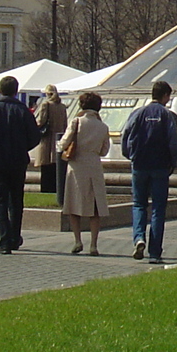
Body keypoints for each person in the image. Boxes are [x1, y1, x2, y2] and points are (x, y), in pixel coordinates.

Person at [121, 80, 177, 263]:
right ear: (165, 96)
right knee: (158, 208)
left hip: (139, 165)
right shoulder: (168, 115)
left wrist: (131, 157)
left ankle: (139, 237)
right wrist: (173, 163)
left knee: (139, 204)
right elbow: (174, 143)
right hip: (160, 167)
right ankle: (155, 252)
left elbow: (126, 137)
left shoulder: (137, 113)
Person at [0, 76, 41, 254]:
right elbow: (35, 137)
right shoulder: (23, 111)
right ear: (15, 91)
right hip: (17, 161)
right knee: (16, 201)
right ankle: (14, 237)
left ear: (0, 90)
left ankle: (4, 239)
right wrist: (22, 147)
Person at [58, 92, 112, 255]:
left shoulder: (76, 122)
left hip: (76, 166)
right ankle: (94, 244)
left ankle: (77, 241)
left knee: (74, 205)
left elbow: (64, 142)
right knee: (95, 208)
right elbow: (104, 151)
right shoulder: (103, 127)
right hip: (94, 166)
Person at [32, 85, 68, 194]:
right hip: (58, 140)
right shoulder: (62, 106)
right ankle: (55, 190)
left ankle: (45, 189)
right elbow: (65, 124)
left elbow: (41, 121)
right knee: (55, 168)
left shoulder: (46, 104)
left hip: (47, 139)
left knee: (46, 168)